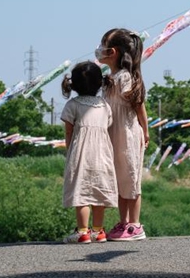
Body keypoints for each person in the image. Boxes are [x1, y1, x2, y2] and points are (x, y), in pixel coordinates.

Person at [96, 28, 150, 241]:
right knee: (119, 178)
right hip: (113, 134)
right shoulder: (110, 77)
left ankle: (135, 224)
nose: (99, 51)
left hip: (127, 134)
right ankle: (123, 222)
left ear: (114, 52)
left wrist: (145, 131)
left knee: (131, 176)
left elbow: (139, 106)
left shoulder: (125, 77)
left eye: (104, 47)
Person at [60, 61, 117, 244]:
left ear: (74, 85)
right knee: (98, 191)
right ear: (100, 83)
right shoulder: (104, 105)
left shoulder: (72, 105)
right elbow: (106, 126)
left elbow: (69, 131)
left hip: (80, 154)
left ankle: (83, 232)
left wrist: (70, 151)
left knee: (82, 192)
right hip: (102, 154)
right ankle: (99, 231)